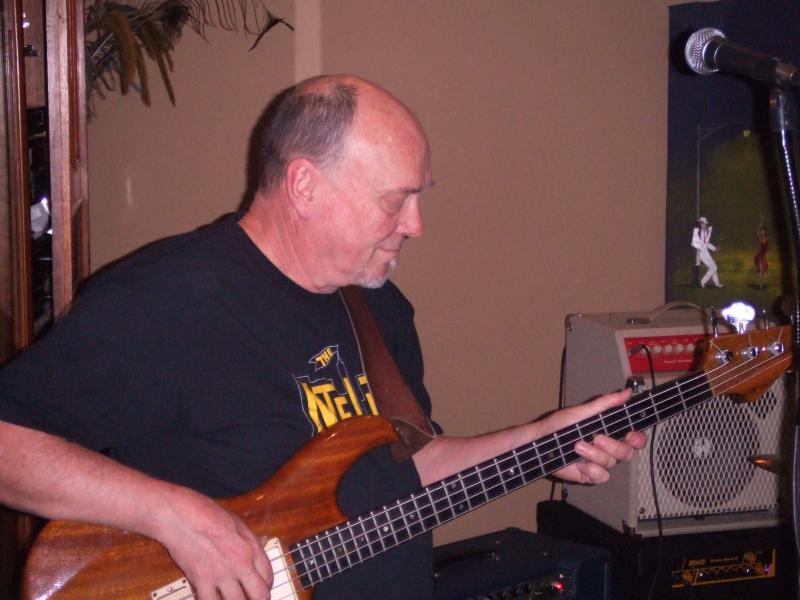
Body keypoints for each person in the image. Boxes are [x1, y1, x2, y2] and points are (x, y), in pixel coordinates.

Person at [0, 75, 646, 600]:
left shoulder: (378, 308)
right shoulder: (170, 299)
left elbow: (404, 471)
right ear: (305, 185)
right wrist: (174, 516)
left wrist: (539, 442)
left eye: (420, 198)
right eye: (395, 200)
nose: (416, 224)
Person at [691, 216, 723, 288]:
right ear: (700, 224)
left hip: (706, 252)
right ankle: (702, 282)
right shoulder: (697, 232)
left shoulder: (707, 231)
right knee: (714, 267)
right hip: (701, 252)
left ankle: (717, 284)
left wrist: (714, 248)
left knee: (713, 267)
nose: (704, 225)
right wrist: (699, 252)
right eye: (703, 224)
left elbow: (706, 243)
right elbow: (695, 244)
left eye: (705, 224)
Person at [754, 216, 769, 289]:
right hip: (760, 257)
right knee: (761, 271)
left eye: (764, 231)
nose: (762, 232)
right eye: (762, 231)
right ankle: (759, 285)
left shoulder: (766, 238)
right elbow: (757, 231)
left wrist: (762, 221)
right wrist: (761, 222)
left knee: (760, 271)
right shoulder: (761, 238)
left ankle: (758, 284)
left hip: (762, 256)